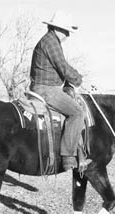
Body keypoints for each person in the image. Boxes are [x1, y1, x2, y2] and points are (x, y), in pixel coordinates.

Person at [29, 11, 91, 171]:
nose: (68, 36)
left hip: (45, 86)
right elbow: (63, 67)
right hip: (46, 89)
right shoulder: (51, 42)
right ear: (57, 29)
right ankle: (68, 157)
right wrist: (78, 79)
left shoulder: (48, 41)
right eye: (66, 31)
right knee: (77, 113)